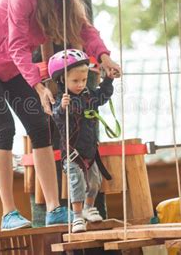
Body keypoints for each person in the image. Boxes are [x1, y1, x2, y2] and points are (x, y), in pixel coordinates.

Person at [0, 0, 121, 230]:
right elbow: (17, 46)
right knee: (5, 129)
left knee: (41, 126)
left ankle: (54, 209)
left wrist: (105, 56)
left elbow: (86, 31)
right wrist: (37, 86)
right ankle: (9, 214)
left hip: (12, 70)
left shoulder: (66, 1)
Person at [49, 49, 116, 233]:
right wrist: (62, 108)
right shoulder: (62, 101)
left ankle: (88, 207)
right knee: (77, 182)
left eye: (84, 80)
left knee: (95, 181)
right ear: (63, 80)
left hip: (90, 151)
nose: (80, 85)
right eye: (75, 81)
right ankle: (77, 216)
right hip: (72, 154)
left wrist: (108, 80)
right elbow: (57, 117)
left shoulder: (89, 97)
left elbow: (102, 96)